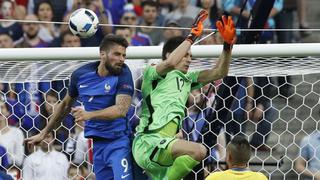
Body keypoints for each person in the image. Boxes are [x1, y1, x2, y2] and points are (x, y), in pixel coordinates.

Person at [132, 10, 236, 180]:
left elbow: (220, 72)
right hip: (148, 143)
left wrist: (227, 45)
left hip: (164, 152)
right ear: (168, 54)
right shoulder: (153, 73)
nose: (189, 60)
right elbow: (171, 62)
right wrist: (192, 36)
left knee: (197, 153)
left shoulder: (187, 80)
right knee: (200, 150)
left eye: (190, 56)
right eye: (186, 55)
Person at [25, 34, 134, 180]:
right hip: (98, 145)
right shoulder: (81, 75)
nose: (122, 59)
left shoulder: (123, 73)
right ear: (103, 54)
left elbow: (121, 109)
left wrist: (89, 115)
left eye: (124, 55)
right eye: (117, 54)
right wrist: (44, 132)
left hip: (120, 142)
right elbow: (64, 105)